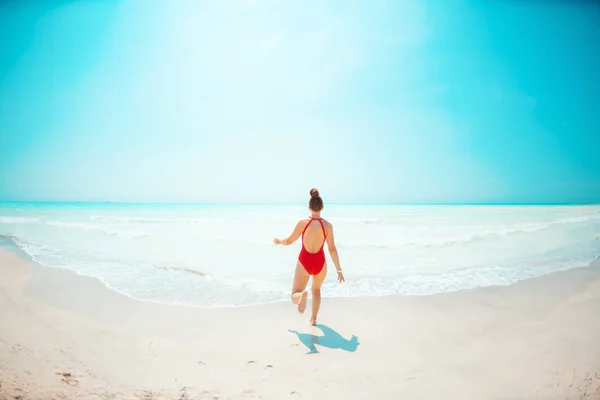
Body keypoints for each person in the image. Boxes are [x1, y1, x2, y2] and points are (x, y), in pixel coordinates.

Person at [273, 188, 345, 326]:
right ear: (322, 208)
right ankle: (313, 319)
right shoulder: (328, 226)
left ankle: (300, 297)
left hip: (304, 261)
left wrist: (280, 241)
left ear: (309, 207)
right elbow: (332, 249)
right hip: (320, 263)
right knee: (316, 290)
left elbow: (289, 241)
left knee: (295, 293)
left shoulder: (302, 223)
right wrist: (339, 270)